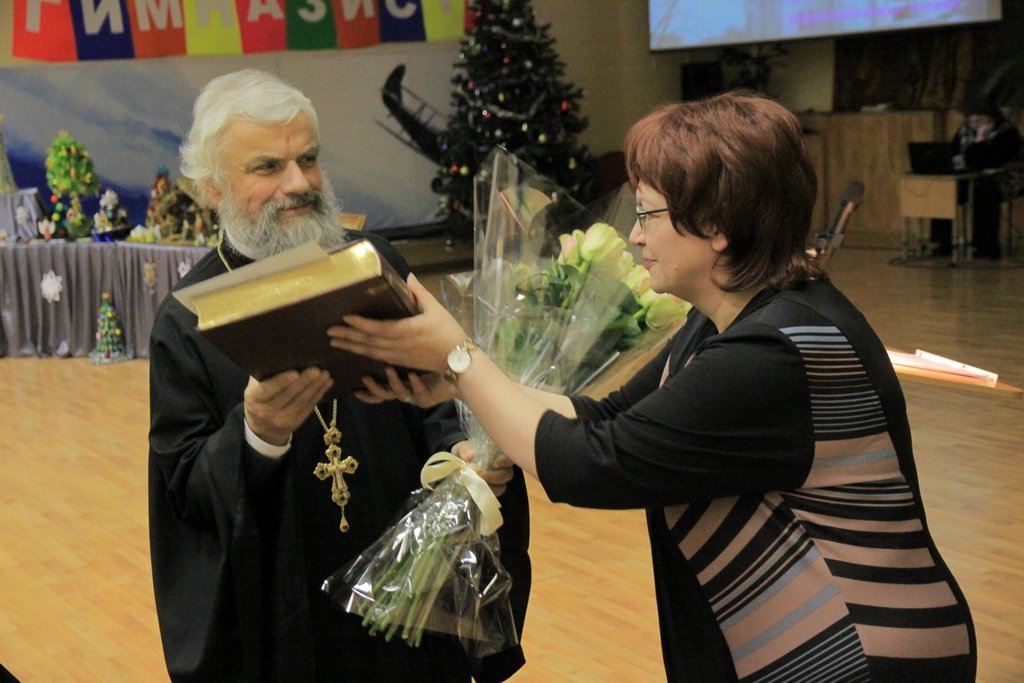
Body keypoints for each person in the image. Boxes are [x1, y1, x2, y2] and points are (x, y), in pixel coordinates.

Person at [330, 92, 977, 681]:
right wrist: (459, 388)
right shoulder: (724, 321)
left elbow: (590, 463)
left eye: (648, 212)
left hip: (853, 650)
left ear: (717, 224)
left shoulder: (773, 354)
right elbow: (603, 417)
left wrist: (461, 357)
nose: (635, 233)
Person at [148, 69, 530, 683]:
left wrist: (462, 448)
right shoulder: (190, 318)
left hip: (411, 592)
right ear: (213, 188)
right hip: (290, 614)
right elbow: (184, 494)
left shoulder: (371, 262)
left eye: (308, 159)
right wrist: (256, 435)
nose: (299, 183)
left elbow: (437, 393)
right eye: (268, 167)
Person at [931, 97, 1022, 259]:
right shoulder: (964, 131)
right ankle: (944, 242)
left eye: (979, 121)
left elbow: (989, 160)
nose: (974, 125)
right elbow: (955, 152)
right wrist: (956, 159)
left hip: (1006, 177)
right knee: (945, 189)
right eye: (971, 121)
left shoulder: (1007, 133)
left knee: (983, 191)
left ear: (992, 119)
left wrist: (980, 140)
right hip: (971, 175)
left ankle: (986, 246)